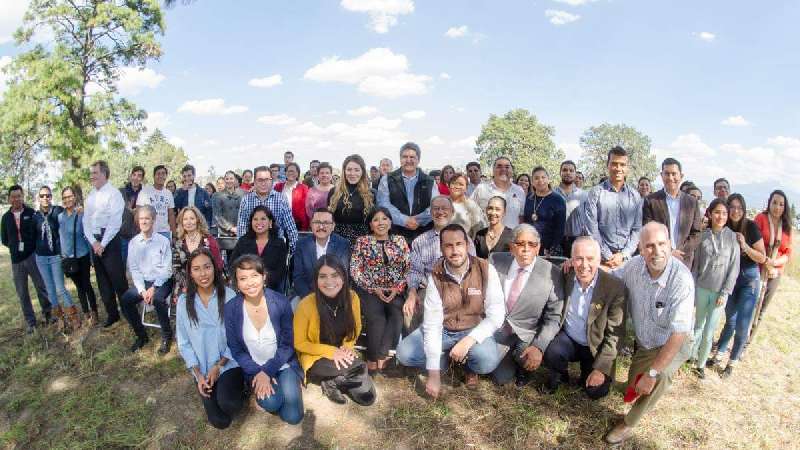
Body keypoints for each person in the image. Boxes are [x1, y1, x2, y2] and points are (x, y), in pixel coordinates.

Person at [603, 222, 694, 445]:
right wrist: (582, 265)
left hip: (674, 342)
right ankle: (637, 382)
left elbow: (679, 333)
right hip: (646, 342)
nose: (656, 251)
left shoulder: (681, 280)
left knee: (658, 378)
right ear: (641, 249)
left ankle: (628, 424)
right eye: (650, 246)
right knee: (635, 385)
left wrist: (652, 373)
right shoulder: (634, 266)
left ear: (670, 245)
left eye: (662, 244)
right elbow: (610, 275)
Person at [396, 224, 505, 396]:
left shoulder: (485, 269)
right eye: (448, 245)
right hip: (444, 330)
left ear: (467, 245)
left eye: (459, 244)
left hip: (473, 329)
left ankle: (470, 366)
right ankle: (445, 358)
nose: (455, 250)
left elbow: (497, 315)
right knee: (404, 354)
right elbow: (432, 325)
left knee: (487, 362)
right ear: (441, 248)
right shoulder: (435, 276)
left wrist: (468, 341)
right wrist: (434, 374)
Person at [224, 255, 304, 425]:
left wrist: (268, 372)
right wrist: (258, 373)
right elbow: (236, 349)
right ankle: (262, 392)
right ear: (237, 283)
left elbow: (287, 345)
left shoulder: (281, 302)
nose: (250, 282)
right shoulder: (231, 308)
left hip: (283, 364)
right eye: (243, 278)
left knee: (293, 417)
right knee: (273, 402)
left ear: (264, 276)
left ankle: (287, 384)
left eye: (254, 276)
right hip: (254, 368)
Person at [542, 236, 624, 398]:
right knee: (552, 351)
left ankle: (587, 372)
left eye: (590, 259)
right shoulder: (566, 275)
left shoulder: (615, 287)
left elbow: (615, 335)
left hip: (595, 346)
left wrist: (600, 369)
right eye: (579, 259)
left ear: (599, 260)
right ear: (571, 260)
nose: (584, 265)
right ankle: (560, 374)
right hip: (570, 340)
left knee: (595, 392)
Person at [488, 225, 565, 387]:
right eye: (520, 244)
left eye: (531, 244)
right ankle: (504, 357)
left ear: (538, 248)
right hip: (496, 330)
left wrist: (539, 346)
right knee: (496, 376)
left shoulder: (553, 273)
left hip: (526, 333)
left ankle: (524, 367)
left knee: (522, 361)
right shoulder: (495, 260)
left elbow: (553, 318)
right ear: (511, 247)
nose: (525, 249)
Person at [294, 256, 376, 405]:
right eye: (323, 276)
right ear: (316, 280)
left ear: (343, 278)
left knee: (367, 398)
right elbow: (299, 343)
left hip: (343, 353)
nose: (329, 281)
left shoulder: (352, 298)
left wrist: (346, 347)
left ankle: (333, 382)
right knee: (360, 366)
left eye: (335, 275)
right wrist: (332, 352)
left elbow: (356, 328)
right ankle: (350, 372)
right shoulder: (306, 304)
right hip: (317, 357)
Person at [176, 248, 244, 429]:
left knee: (230, 405)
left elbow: (237, 338)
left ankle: (242, 384)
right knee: (220, 422)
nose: (203, 274)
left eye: (207, 267)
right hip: (203, 368)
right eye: (196, 269)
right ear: (190, 273)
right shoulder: (184, 302)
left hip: (228, 362)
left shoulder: (229, 296)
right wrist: (198, 375)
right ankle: (205, 384)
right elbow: (184, 343)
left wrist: (219, 366)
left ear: (215, 268)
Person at [708, 194, 767, 377]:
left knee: (742, 324)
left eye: (739, 208)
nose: (735, 211)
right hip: (730, 279)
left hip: (749, 279)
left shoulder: (750, 227)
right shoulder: (724, 225)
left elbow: (762, 257)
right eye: (731, 207)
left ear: (744, 209)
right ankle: (719, 355)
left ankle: (732, 363)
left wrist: (745, 246)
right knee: (730, 320)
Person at [350, 207, 410, 373]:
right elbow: (355, 269)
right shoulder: (363, 242)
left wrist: (397, 288)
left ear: (390, 222)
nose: (380, 222)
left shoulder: (400, 241)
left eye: (384, 219)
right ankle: (371, 358)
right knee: (376, 317)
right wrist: (372, 287)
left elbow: (408, 268)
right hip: (370, 289)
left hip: (394, 289)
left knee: (396, 313)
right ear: (370, 225)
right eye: (376, 219)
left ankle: (380, 355)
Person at [403, 196, 477, 330]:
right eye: (436, 209)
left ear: (452, 212)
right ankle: (418, 347)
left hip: (459, 288)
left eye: (444, 208)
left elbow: (473, 268)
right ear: (431, 213)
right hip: (429, 289)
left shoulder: (465, 239)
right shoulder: (420, 241)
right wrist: (412, 293)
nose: (440, 212)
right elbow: (414, 271)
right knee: (411, 310)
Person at [689, 199, 739, 378]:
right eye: (717, 212)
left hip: (719, 292)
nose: (721, 216)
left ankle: (701, 365)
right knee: (697, 326)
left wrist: (725, 292)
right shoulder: (703, 236)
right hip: (702, 288)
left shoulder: (732, 238)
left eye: (724, 213)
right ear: (710, 214)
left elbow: (734, 268)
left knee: (710, 330)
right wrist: (693, 289)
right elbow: (696, 266)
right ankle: (691, 357)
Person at [120, 205, 174, 353]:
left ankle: (166, 335)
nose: (144, 222)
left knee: (157, 299)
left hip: (163, 280)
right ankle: (141, 335)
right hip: (143, 282)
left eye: (147, 218)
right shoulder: (133, 243)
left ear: (153, 220)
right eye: (141, 219)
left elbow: (167, 269)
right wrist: (142, 290)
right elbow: (135, 270)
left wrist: (154, 288)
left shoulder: (163, 241)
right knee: (125, 300)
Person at [83, 160, 128, 327]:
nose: (91, 176)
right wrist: (94, 243)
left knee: (118, 280)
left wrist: (103, 243)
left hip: (110, 239)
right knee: (102, 281)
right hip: (95, 241)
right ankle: (112, 314)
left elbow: (115, 222)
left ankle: (128, 312)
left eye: (94, 173)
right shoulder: (90, 196)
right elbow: (85, 223)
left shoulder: (114, 194)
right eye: (91, 173)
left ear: (104, 174)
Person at [2, 185, 52, 333]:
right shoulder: (5, 218)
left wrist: (29, 247)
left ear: (22, 196)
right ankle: (31, 322)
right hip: (16, 261)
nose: (16, 199)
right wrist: (15, 247)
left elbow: (37, 233)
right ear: (9, 199)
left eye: (19, 196)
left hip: (32, 256)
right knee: (22, 292)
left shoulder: (31, 213)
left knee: (40, 286)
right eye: (13, 196)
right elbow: (4, 239)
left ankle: (48, 314)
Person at [584, 147, 642, 269]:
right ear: (608, 166)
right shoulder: (595, 193)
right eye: (614, 164)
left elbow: (637, 230)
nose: (618, 168)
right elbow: (592, 229)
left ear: (627, 168)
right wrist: (608, 256)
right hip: (601, 260)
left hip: (626, 261)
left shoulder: (635, 196)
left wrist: (623, 255)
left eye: (622, 164)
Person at [642, 158, 703, 268]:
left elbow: (697, 233)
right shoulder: (651, 201)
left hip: (683, 259)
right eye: (667, 174)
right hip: (658, 258)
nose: (670, 178)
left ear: (681, 176)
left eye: (674, 174)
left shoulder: (692, 202)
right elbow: (648, 230)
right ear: (661, 175)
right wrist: (668, 251)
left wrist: (680, 251)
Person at [750, 190, 793, 339]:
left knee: (762, 308)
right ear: (769, 202)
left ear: (785, 207)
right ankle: (737, 339)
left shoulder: (787, 226)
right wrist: (766, 263)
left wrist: (774, 264)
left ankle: (747, 342)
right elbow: (752, 241)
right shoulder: (760, 218)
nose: (777, 207)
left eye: (781, 204)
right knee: (749, 305)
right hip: (756, 268)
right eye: (775, 202)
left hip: (775, 272)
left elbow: (787, 253)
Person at [377, 142, 439, 245]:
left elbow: (435, 205)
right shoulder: (387, 179)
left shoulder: (429, 181)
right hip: (395, 235)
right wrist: (404, 220)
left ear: (418, 160)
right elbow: (384, 204)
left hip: (424, 236)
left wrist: (418, 220)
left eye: (412, 157)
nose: (408, 160)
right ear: (400, 159)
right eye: (405, 157)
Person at [33, 185, 77, 330]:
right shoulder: (35, 216)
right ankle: (59, 318)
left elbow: (70, 215)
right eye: (42, 196)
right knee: (50, 290)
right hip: (41, 258)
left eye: (48, 195)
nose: (45, 198)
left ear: (51, 197)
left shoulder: (58, 211)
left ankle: (73, 316)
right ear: (39, 198)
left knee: (60, 288)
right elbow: (32, 236)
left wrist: (79, 210)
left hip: (55, 256)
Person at [59, 186, 99, 326]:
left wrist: (92, 258)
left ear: (74, 197)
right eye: (65, 197)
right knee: (79, 287)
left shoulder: (81, 214)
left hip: (82, 255)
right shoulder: (60, 217)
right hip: (68, 259)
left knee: (86, 284)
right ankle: (86, 312)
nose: (67, 199)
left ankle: (94, 312)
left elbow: (88, 235)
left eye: (70, 196)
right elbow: (61, 237)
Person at [291, 208, 351, 301]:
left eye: (326, 223)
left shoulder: (342, 244)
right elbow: (298, 277)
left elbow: (342, 275)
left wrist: (330, 296)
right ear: (311, 224)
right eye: (317, 222)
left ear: (333, 226)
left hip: (334, 294)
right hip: (308, 295)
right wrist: (311, 298)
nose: (321, 226)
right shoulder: (301, 244)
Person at [237, 165, 298, 253]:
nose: (263, 183)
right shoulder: (246, 200)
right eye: (260, 180)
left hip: (276, 249)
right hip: (252, 250)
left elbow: (291, 228)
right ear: (254, 181)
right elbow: (242, 228)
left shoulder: (281, 199)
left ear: (271, 180)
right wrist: (243, 250)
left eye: (267, 180)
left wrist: (290, 253)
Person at [230, 206, 289, 292]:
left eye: (263, 219)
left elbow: (280, 272)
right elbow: (233, 265)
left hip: (271, 290)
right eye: (255, 219)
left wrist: (260, 283)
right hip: (246, 289)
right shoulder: (243, 241)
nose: (259, 222)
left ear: (270, 223)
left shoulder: (279, 244)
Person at [172, 206, 224, 301]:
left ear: (198, 220)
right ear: (181, 222)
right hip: (186, 283)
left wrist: (206, 282)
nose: (188, 222)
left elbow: (218, 264)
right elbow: (176, 269)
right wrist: (187, 285)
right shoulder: (178, 243)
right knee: (184, 298)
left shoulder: (209, 240)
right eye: (185, 219)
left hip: (208, 280)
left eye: (192, 218)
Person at [328, 155, 375, 246]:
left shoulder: (371, 194)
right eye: (349, 170)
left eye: (357, 170)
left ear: (362, 172)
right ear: (344, 171)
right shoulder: (333, 192)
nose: (352, 173)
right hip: (338, 240)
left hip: (363, 242)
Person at [471, 156, 526, 228]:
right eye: (499, 166)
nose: (503, 169)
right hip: (486, 237)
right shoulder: (481, 189)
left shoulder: (519, 191)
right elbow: (469, 211)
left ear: (512, 170)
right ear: (493, 170)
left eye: (507, 167)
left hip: (512, 237)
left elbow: (521, 217)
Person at [524, 167, 566, 256]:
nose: (540, 180)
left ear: (548, 179)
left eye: (543, 177)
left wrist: (552, 248)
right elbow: (526, 222)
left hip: (548, 249)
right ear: (532, 182)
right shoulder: (529, 198)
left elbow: (560, 228)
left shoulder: (558, 200)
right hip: (530, 246)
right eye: (536, 178)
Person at [553, 160, 587, 258]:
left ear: (575, 174)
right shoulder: (552, 193)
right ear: (560, 173)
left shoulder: (584, 195)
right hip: (556, 241)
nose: (568, 172)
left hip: (577, 240)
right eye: (565, 170)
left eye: (571, 170)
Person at [136, 165, 176, 240]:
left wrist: (174, 235)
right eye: (158, 174)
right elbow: (138, 213)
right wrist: (140, 231)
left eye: (163, 174)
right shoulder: (144, 192)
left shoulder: (168, 193)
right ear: (154, 176)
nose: (161, 176)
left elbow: (171, 215)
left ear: (166, 176)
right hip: (148, 232)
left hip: (164, 233)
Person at [213, 170, 244, 256]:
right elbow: (217, 216)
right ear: (224, 180)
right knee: (230, 259)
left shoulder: (243, 193)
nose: (229, 181)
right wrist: (230, 228)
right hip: (226, 233)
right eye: (227, 179)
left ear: (235, 180)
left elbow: (246, 212)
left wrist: (240, 227)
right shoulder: (217, 196)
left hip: (241, 231)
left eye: (231, 178)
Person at [274, 162, 310, 231]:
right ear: (285, 172)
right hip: (281, 224)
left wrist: (305, 226)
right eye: (288, 171)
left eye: (293, 171)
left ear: (297, 173)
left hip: (297, 224)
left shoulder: (304, 188)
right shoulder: (278, 187)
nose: (290, 173)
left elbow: (307, 209)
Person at [447, 173, 485, 238]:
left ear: (466, 188)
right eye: (453, 183)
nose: (457, 186)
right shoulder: (441, 203)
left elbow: (479, 229)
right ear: (449, 186)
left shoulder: (472, 206)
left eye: (461, 184)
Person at [119, 166, 145, 261]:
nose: (136, 178)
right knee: (123, 263)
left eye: (139, 176)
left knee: (138, 262)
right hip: (124, 234)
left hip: (140, 233)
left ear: (142, 178)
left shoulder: (145, 193)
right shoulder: (121, 192)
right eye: (134, 175)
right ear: (130, 176)